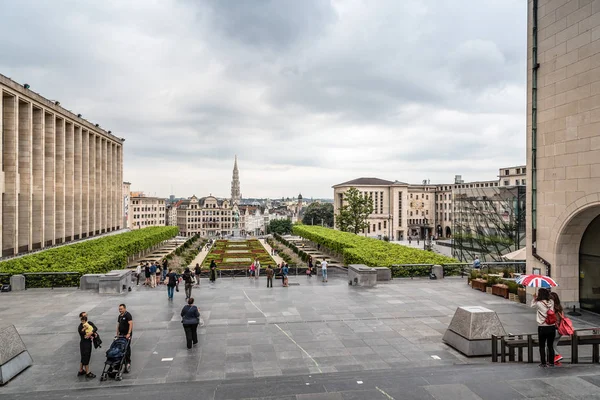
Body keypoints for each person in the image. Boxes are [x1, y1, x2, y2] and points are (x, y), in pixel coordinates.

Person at [531, 288, 556, 367]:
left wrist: (534, 298)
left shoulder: (538, 303)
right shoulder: (552, 302)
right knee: (550, 345)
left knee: (542, 346)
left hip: (542, 326)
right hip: (552, 326)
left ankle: (543, 363)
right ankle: (551, 362)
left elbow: (532, 306)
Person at [77, 312, 97, 378]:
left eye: (86, 315)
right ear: (81, 318)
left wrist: (91, 332)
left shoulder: (89, 323)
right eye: (84, 316)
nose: (85, 317)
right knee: (86, 356)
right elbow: (82, 333)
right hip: (84, 343)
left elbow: (95, 328)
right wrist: (86, 330)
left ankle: (80, 370)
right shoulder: (80, 326)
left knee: (84, 356)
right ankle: (88, 372)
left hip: (88, 342)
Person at [116, 304, 133, 372]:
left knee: (127, 347)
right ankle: (122, 360)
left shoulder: (128, 315)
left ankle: (128, 361)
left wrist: (129, 333)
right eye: (119, 309)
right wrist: (117, 333)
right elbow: (118, 324)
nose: (120, 310)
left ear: (125, 308)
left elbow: (131, 324)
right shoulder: (120, 316)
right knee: (121, 346)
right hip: (121, 334)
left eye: (121, 309)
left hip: (126, 334)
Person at [550, 292, 565, 364]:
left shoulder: (552, 308)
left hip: (554, 329)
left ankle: (557, 356)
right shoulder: (560, 307)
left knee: (548, 345)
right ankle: (556, 361)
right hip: (560, 330)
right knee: (554, 345)